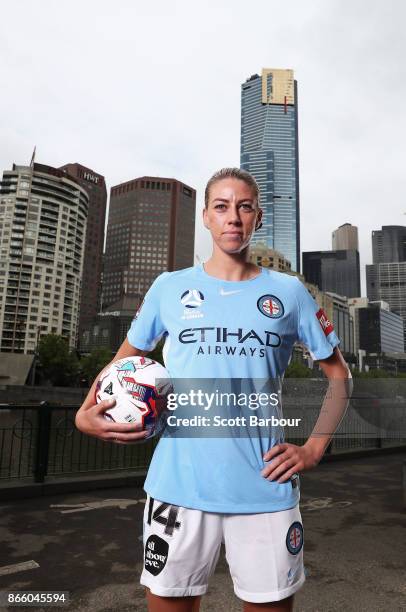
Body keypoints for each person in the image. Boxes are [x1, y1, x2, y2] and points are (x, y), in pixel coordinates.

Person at [75, 167, 352, 612]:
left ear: (258, 217)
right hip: (178, 488)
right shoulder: (170, 287)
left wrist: (315, 447)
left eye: (244, 207)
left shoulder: (290, 293)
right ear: (206, 216)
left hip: (265, 488)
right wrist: (82, 413)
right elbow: (121, 363)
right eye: (221, 207)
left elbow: (340, 374)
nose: (233, 218)